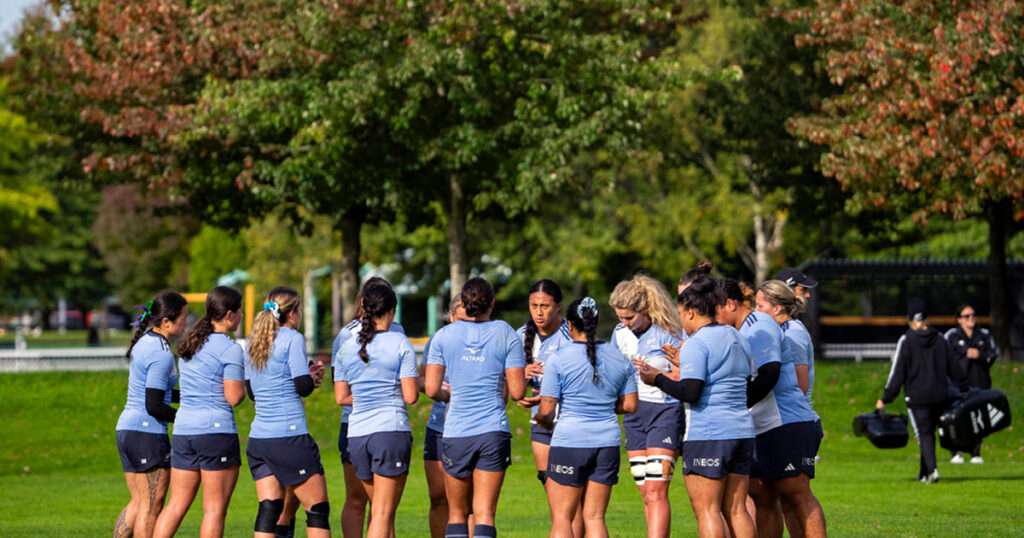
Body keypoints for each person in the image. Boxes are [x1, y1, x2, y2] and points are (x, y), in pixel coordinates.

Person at [635, 275, 754, 538]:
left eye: (679, 314)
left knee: (708, 510)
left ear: (690, 312)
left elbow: (691, 392)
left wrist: (657, 379)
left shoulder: (696, 343)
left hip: (709, 434)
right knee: (736, 509)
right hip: (743, 431)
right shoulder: (738, 337)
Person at [424, 277, 527, 538]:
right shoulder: (505, 332)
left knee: (456, 513)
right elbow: (517, 392)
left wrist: (451, 394)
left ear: (465, 302)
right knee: (484, 515)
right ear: (491, 303)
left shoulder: (443, 335)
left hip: (456, 431)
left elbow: (432, 389)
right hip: (493, 430)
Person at [535, 296, 639, 538]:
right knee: (595, 517)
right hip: (607, 443)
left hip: (570, 442)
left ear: (570, 325)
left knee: (563, 517)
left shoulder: (558, 359)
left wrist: (541, 418)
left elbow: (547, 410)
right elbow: (631, 405)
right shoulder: (620, 358)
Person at [154, 287, 246, 538]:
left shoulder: (190, 344)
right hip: (215, 433)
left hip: (184, 431)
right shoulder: (231, 348)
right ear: (229, 315)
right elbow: (233, 396)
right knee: (214, 510)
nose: (240, 317)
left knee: (176, 505)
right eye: (239, 312)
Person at [335, 283, 419, 538]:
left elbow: (341, 397)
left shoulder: (346, 346)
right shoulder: (399, 341)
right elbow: (411, 395)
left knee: (379, 513)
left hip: (357, 435)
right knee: (382, 513)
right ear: (392, 310)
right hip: (389, 431)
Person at [245, 287, 330, 538]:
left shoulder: (255, 341)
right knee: (317, 509)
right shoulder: (292, 337)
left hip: (259, 439)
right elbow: (301, 387)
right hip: (289, 435)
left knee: (269, 509)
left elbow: (252, 391)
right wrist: (312, 377)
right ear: (293, 313)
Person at [609, 274, 683, 538]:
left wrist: (658, 375)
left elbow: (686, 376)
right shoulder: (619, 334)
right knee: (645, 492)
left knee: (656, 490)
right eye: (620, 317)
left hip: (664, 412)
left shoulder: (669, 332)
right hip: (633, 415)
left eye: (629, 317)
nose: (624, 323)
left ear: (644, 310)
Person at [752, 281, 828, 538]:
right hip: (773, 423)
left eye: (759, 305)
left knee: (798, 496)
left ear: (776, 308)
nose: (755, 310)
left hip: (791, 421)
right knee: (777, 498)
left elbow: (800, 383)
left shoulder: (792, 332)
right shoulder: (772, 329)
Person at [114, 291, 189, 538]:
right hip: (147, 433)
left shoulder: (144, 342)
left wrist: (194, 396)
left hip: (127, 430)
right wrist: (185, 418)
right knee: (151, 505)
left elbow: (160, 392)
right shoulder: (161, 353)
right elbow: (154, 405)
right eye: (183, 318)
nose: (186, 323)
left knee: (137, 503)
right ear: (166, 322)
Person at [513, 280, 581, 532]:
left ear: (558, 308)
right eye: (534, 306)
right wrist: (521, 377)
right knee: (553, 493)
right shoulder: (520, 336)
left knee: (575, 499)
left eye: (545, 306)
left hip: (570, 421)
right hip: (540, 421)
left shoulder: (571, 334)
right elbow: (510, 384)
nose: (539, 312)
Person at [877, 300, 968, 484]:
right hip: (939, 395)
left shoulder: (907, 340)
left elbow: (898, 373)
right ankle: (924, 473)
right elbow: (956, 370)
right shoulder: (941, 338)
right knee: (929, 433)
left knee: (924, 433)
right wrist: (963, 388)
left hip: (917, 396)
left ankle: (933, 470)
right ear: (927, 318)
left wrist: (886, 398)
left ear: (910, 320)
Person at [422, 296, 471, 538]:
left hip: (470, 427)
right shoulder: (438, 341)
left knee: (468, 503)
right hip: (439, 425)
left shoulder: (481, 342)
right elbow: (423, 382)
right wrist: (441, 390)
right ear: (451, 317)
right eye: (459, 320)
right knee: (438, 497)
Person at [944, 304, 998, 464]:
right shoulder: (951, 336)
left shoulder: (984, 335)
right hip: (957, 385)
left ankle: (975, 452)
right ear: (959, 319)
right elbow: (945, 357)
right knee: (956, 417)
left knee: (978, 418)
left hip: (980, 383)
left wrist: (979, 355)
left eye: (973, 315)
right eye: (966, 316)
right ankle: (955, 452)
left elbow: (993, 354)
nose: (971, 318)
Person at [774, 269, 817, 400]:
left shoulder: (792, 331)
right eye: (803, 289)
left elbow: (799, 386)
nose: (808, 295)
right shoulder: (784, 328)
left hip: (792, 415)